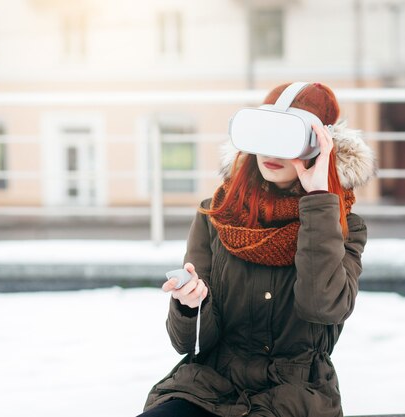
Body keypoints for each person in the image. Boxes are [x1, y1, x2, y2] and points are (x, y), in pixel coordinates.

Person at [138, 82, 376, 417]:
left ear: (318, 145)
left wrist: (318, 200)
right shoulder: (216, 215)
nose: (271, 151)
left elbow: (323, 307)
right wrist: (191, 306)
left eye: (287, 137)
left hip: (294, 394)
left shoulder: (341, 226)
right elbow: (189, 345)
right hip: (210, 386)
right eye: (263, 134)